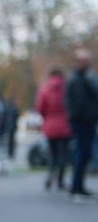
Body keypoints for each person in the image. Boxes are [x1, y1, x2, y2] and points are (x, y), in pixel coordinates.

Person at [65, 47, 98, 199]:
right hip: (82, 123)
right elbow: (78, 105)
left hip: (84, 121)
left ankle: (79, 185)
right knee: (82, 154)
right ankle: (76, 186)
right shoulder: (78, 79)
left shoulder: (84, 78)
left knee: (84, 155)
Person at [34, 67, 72, 191]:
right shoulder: (66, 88)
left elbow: (40, 107)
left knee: (52, 154)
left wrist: (47, 118)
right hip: (65, 126)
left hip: (50, 126)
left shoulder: (44, 89)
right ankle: (60, 180)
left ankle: (50, 174)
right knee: (63, 155)